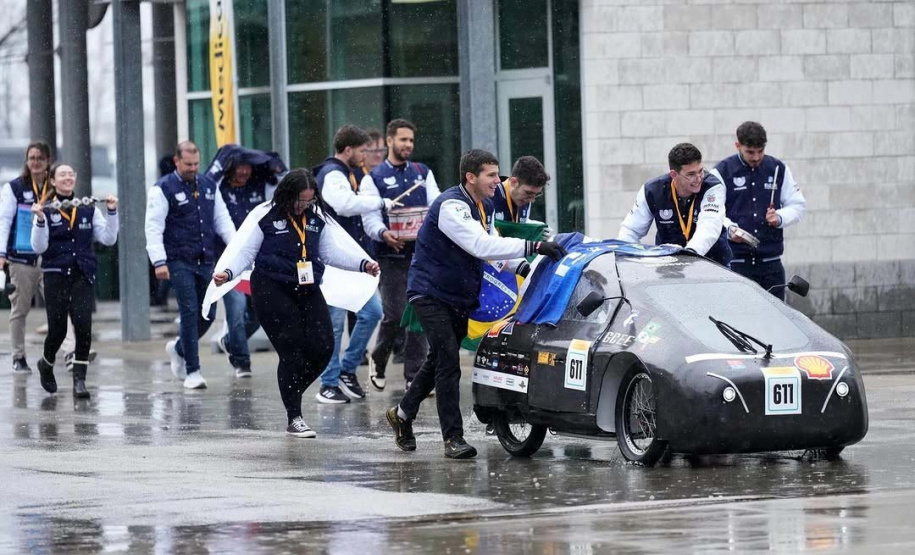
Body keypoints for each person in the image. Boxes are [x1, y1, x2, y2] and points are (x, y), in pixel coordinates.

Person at [385, 149, 567, 459]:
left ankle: (402, 414)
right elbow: (480, 245)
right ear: (471, 177)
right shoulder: (451, 206)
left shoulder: (484, 206)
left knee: (438, 359)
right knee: (448, 363)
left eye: (497, 174)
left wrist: (526, 270)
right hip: (430, 293)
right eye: (491, 175)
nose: (498, 180)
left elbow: (494, 252)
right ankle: (453, 438)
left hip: (458, 295)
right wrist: (534, 245)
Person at [212, 169, 380, 438]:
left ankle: (291, 390)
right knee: (292, 348)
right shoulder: (267, 216)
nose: (304, 205)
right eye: (300, 200)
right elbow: (246, 252)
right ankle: (294, 417)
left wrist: (362, 264)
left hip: (307, 286)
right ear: (288, 195)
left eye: (309, 200)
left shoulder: (316, 219)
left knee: (324, 346)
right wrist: (229, 273)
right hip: (271, 287)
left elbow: (330, 253)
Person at [145, 141, 235, 389]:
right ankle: (193, 371)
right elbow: (153, 227)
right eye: (188, 164)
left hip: (205, 259)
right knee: (189, 310)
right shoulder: (163, 188)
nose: (193, 168)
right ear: (177, 161)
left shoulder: (209, 186)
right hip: (178, 260)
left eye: (196, 164)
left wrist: (237, 249)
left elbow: (223, 220)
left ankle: (178, 348)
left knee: (208, 314)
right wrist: (159, 261)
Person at [361, 119, 439, 392]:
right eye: (403, 139)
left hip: (421, 255)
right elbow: (369, 219)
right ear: (390, 141)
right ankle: (378, 358)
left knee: (418, 312)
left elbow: (436, 204)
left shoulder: (422, 172)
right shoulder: (373, 178)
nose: (408, 145)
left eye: (411, 140)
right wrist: (383, 233)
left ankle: (414, 377)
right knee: (394, 314)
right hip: (390, 256)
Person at [29, 163, 119, 398]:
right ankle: (46, 363)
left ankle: (79, 379)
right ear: (53, 180)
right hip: (55, 274)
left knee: (83, 326)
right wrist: (40, 220)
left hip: (82, 273)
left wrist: (112, 212)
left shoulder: (88, 208)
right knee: (57, 330)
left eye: (71, 174)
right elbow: (38, 246)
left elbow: (108, 239)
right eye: (62, 175)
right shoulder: (46, 209)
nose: (68, 178)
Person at [313, 125, 388, 403]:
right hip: (334, 261)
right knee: (333, 325)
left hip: (353, 260)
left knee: (373, 312)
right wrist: (381, 203)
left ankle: (346, 370)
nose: (365, 156)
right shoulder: (333, 173)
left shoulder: (347, 174)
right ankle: (328, 384)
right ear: (348, 150)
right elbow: (344, 205)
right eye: (362, 151)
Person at [211, 147, 284, 378]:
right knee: (237, 308)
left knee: (258, 312)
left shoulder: (259, 185)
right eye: (239, 167)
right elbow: (208, 179)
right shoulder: (219, 189)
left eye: (248, 167)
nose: (244, 172)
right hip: (227, 259)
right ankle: (242, 362)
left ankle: (230, 341)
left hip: (255, 261)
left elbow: (282, 179)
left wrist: (273, 163)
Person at [715, 122, 807, 300]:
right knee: (738, 313)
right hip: (736, 262)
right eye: (750, 152)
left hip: (771, 263)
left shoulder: (778, 169)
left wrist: (779, 217)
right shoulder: (722, 171)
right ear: (738, 145)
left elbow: (798, 205)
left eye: (760, 151)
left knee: (776, 314)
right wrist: (730, 229)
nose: (756, 157)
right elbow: (712, 213)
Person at [617, 143, 731, 267]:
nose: (698, 178)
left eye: (700, 171)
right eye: (691, 175)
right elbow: (631, 230)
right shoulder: (652, 191)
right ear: (674, 174)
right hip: (668, 266)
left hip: (713, 264)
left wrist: (691, 252)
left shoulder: (712, 187)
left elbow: (709, 224)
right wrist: (622, 258)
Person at [0, 142, 52, 373]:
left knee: (61, 305)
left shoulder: (54, 187)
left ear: (48, 160)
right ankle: (18, 356)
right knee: (20, 310)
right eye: (32, 158)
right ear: (27, 161)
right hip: (21, 258)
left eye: (40, 158)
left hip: (49, 259)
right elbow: (4, 222)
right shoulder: (15, 188)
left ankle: (72, 352)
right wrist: (1, 254)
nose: (36, 162)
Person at [492, 156, 549, 224]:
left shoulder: (525, 200)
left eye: (536, 194)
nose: (532, 200)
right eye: (528, 193)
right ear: (514, 182)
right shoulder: (490, 196)